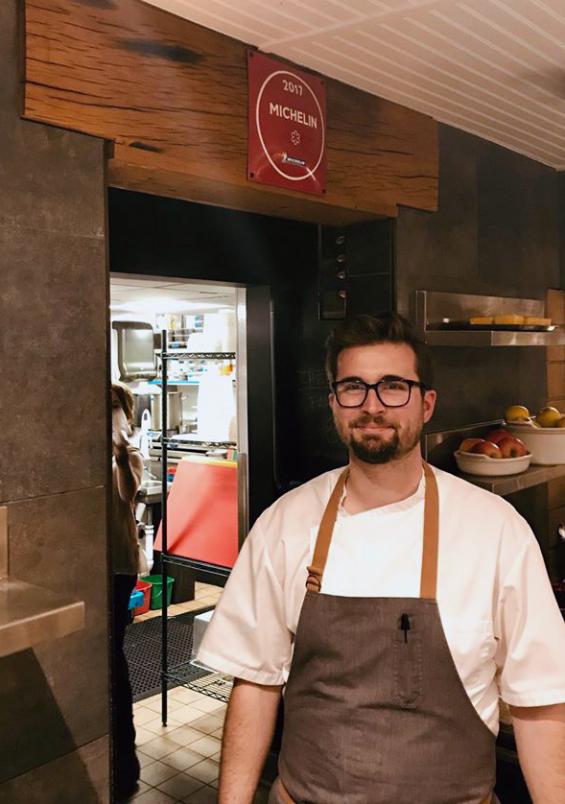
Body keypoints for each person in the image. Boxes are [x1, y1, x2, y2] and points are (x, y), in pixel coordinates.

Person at [197, 313, 565, 804]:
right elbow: (256, 684)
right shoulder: (284, 523)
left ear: (427, 403)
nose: (372, 405)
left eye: (394, 386)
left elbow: (540, 703)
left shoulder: (496, 530)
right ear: (333, 404)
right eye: (354, 387)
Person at [110, 382, 144, 801]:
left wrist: (120, 450)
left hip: (118, 568)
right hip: (91, 568)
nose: (110, 411)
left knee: (113, 656)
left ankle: (125, 760)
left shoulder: (128, 455)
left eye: (116, 405)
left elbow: (127, 492)